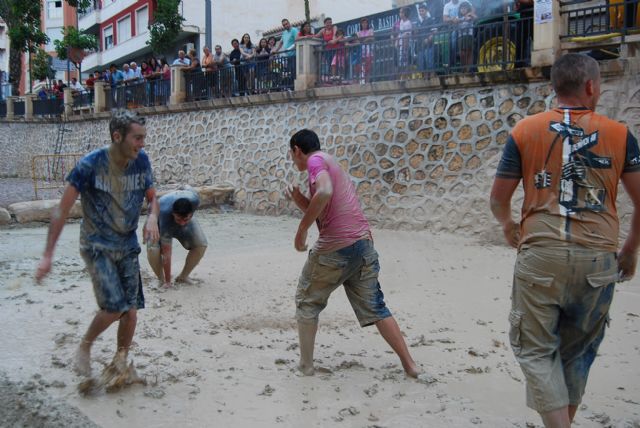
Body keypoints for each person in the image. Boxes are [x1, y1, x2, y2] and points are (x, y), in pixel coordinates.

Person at [489, 53, 640, 427]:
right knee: (577, 352)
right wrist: (630, 250)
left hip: (541, 256)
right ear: (590, 86)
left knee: (538, 351)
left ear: (554, 87)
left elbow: (498, 198)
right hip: (599, 259)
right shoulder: (621, 135)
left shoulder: (525, 130)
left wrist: (508, 224)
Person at [286, 129, 420, 378]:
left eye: (292, 155)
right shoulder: (330, 162)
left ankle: (306, 366)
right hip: (363, 245)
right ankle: (410, 365)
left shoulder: (315, 161)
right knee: (376, 307)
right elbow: (325, 209)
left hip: (335, 249)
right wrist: (299, 199)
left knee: (307, 302)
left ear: (297, 150)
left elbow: (324, 193)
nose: (293, 160)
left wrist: (301, 230)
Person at [35, 110, 160, 377]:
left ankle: (120, 360)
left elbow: (152, 196)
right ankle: (84, 347)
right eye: (137, 138)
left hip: (127, 245)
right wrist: (48, 255)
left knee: (130, 310)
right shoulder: (90, 165)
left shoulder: (142, 161)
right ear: (117, 136)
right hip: (97, 245)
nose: (142, 143)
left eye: (143, 138)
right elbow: (61, 210)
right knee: (114, 307)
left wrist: (152, 218)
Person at [146, 187, 207, 288]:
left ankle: (183, 277)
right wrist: (168, 282)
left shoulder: (195, 200)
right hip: (156, 218)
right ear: (173, 214)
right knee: (153, 249)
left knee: (201, 245)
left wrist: (181, 188)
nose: (182, 224)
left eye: (186, 219)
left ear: (191, 214)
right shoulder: (165, 214)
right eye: (179, 219)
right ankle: (162, 279)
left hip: (181, 210)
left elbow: (188, 187)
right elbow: (167, 253)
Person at [457, 1, 476, 71]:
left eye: (464, 8)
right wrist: (464, 19)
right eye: (461, 8)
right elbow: (454, 22)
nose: (463, 9)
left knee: (469, 52)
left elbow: (476, 18)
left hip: (469, 35)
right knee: (462, 53)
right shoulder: (458, 17)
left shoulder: (470, 15)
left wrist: (471, 15)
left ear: (467, 9)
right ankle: (464, 69)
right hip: (460, 37)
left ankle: (469, 69)